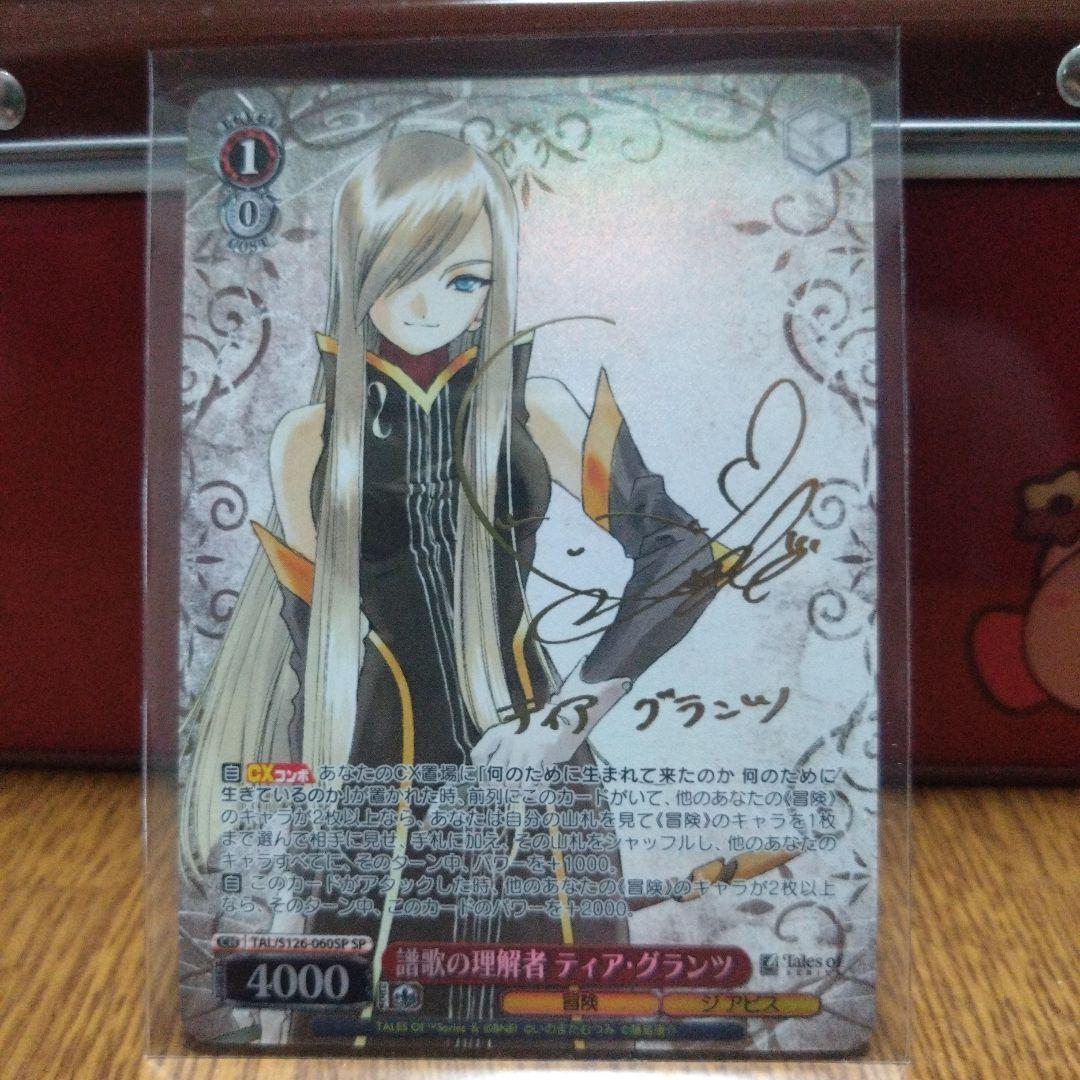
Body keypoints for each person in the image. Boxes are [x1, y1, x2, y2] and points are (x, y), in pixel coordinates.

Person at [179, 130, 737, 1044]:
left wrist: (563, 723)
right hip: (373, 790)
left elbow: (684, 556)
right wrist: (287, 889)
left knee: (566, 1025)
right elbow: (315, 666)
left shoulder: (536, 411)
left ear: (496, 282)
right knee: (360, 1031)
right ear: (359, 269)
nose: (429, 304)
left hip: (533, 777)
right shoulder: (311, 440)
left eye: (465, 279)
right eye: (403, 271)